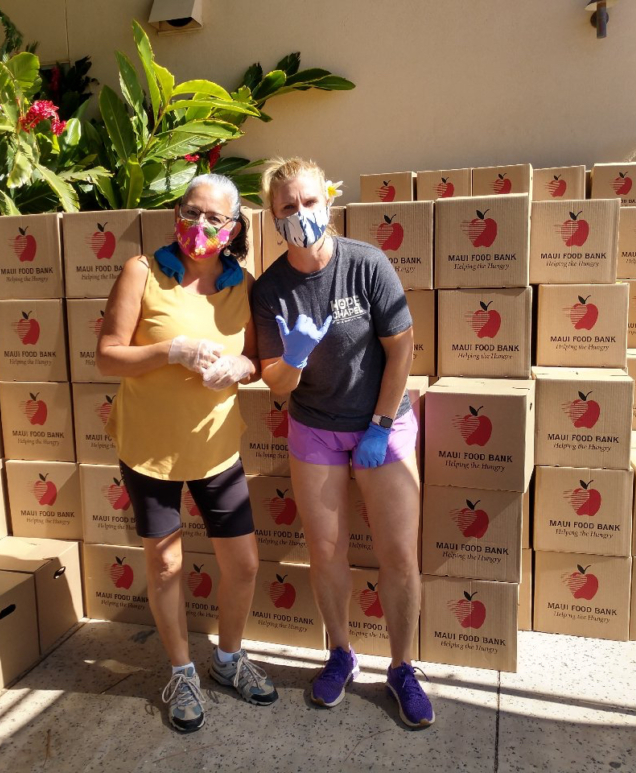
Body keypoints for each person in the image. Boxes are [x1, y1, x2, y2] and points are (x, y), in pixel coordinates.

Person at [251, 157, 433, 728]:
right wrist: (296, 358)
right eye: (287, 207)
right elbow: (275, 383)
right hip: (314, 426)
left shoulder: (366, 263)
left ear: (326, 201)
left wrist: (379, 426)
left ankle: (403, 668)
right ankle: (340, 653)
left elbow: (401, 349)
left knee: (398, 555)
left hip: (382, 421)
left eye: (308, 202)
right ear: (272, 217)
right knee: (325, 551)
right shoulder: (272, 288)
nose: (300, 214)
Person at [96, 173, 278, 733]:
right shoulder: (142, 272)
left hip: (216, 448)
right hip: (151, 448)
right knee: (167, 563)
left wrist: (241, 368)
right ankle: (181, 670)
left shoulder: (240, 285)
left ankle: (227, 660)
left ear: (233, 229)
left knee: (243, 565)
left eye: (212, 218)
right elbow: (106, 356)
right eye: (189, 212)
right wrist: (169, 350)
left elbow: (255, 359)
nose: (198, 226)